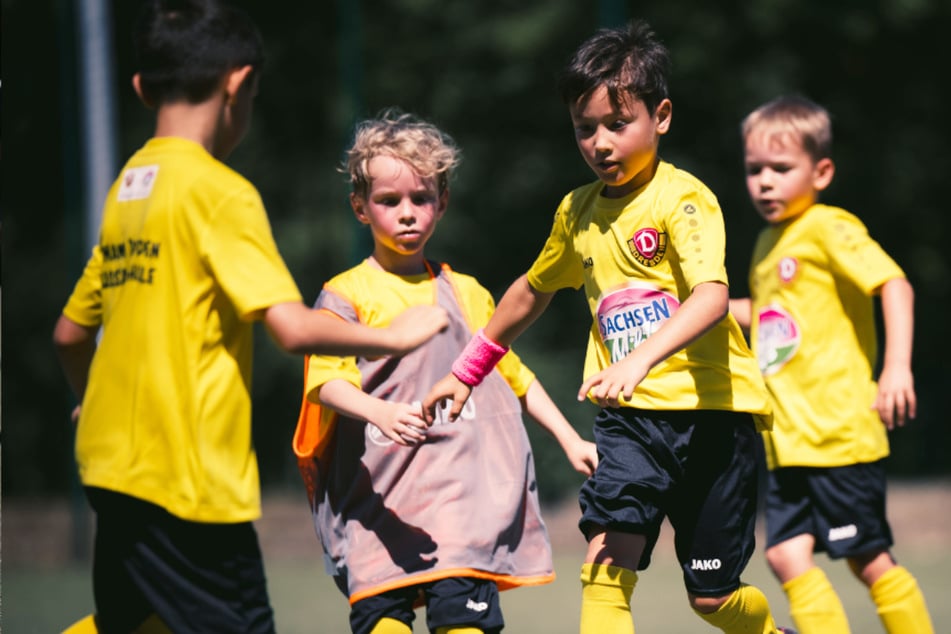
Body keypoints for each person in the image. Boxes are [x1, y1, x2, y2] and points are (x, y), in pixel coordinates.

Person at [52, 2, 447, 633]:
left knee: (133, 621)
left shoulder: (131, 186)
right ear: (238, 83)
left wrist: (88, 401)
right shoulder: (220, 191)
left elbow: (70, 335)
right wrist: (389, 335)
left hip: (108, 468)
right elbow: (291, 327)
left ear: (141, 87)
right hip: (187, 480)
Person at [423, 19, 792, 634]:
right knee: (604, 570)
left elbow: (710, 297)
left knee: (713, 600)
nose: (599, 143)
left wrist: (640, 357)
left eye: (617, 125)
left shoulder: (685, 199)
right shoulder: (576, 211)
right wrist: (467, 372)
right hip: (630, 423)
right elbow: (527, 294)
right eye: (584, 129)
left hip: (713, 423)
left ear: (661, 117)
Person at [293, 109, 598, 634]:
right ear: (360, 209)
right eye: (389, 202)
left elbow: (514, 375)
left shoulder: (467, 292)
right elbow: (325, 382)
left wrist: (571, 439)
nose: (407, 213)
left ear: (443, 202)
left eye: (421, 198)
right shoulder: (345, 294)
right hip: (379, 505)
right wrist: (379, 411)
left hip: (460, 507)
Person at [729, 94, 934, 634]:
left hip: (837, 432)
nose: (764, 182)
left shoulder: (827, 225)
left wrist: (896, 368)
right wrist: (710, 312)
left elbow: (894, 284)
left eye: (780, 168)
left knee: (866, 558)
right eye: (754, 170)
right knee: (784, 557)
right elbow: (775, 315)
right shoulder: (769, 244)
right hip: (789, 440)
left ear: (821, 172)